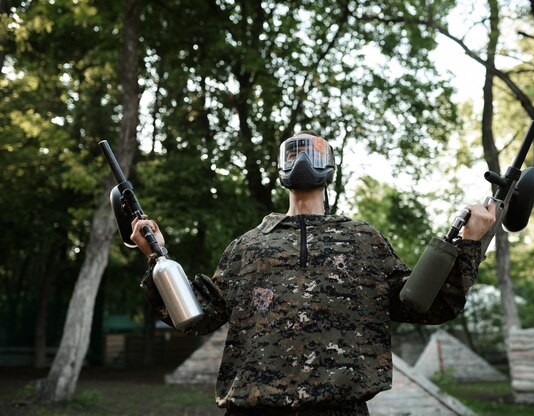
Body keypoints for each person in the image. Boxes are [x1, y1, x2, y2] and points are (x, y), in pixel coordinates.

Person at [131, 131, 496, 416]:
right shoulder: (247, 246)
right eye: (293, 154)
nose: (303, 160)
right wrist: (156, 258)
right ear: (280, 170)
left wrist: (468, 245)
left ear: (330, 168)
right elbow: (196, 315)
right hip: (254, 410)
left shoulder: (363, 240)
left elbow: (424, 306)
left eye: (314, 153)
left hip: (341, 409)